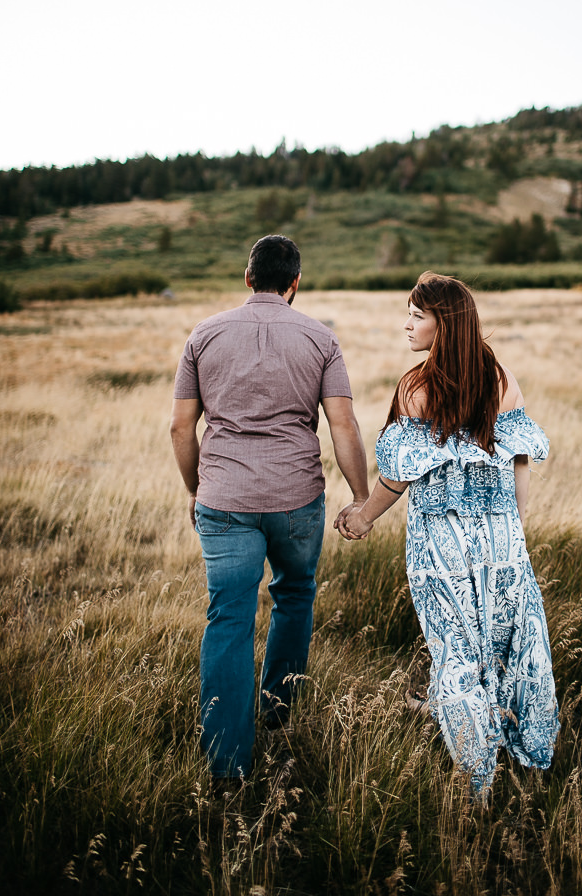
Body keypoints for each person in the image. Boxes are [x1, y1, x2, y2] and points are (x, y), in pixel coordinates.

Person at [335, 272, 559, 800]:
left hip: (442, 540)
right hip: (502, 535)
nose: (407, 324)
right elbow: (519, 458)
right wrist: (514, 526)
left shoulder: (417, 386)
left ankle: (477, 776)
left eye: (418, 315)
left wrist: (364, 515)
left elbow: (400, 473)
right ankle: (528, 755)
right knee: (513, 643)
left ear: (444, 322)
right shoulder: (500, 378)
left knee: (455, 649)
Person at [171, 234, 369, 783]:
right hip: (297, 499)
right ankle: (278, 716)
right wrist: (359, 497)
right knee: (295, 595)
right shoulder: (321, 338)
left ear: (247, 277)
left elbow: (180, 427)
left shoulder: (204, 336)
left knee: (229, 616)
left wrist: (196, 488)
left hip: (224, 500)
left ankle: (227, 763)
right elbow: (343, 425)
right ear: (295, 282)